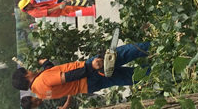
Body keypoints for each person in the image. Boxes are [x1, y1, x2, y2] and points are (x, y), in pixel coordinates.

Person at [11, 42, 151, 100]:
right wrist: (91, 67)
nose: (30, 70)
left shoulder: (39, 92)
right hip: (87, 74)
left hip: (87, 86)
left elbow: (53, 76)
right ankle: (153, 45)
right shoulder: (42, 80)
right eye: (28, 71)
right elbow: (67, 77)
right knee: (121, 54)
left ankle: (153, 73)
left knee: (125, 76)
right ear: (26, 75)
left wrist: (45, 63)